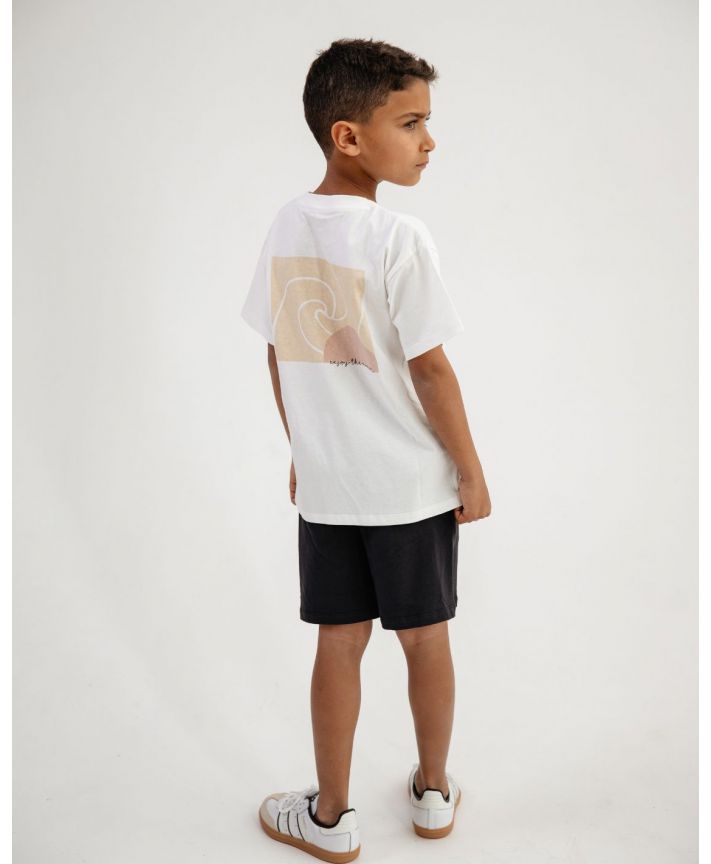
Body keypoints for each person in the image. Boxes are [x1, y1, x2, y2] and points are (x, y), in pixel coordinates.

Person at [240, 37, 491, 862]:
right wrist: (469, 468)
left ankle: (331, 816)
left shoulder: (286, 224)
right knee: (426, 639)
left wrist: (303, 447)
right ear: (347, 136)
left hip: (331, 487)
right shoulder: (396, 236)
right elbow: (430, 368)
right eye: (410, 122)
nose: (429, 141)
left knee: (338, 641)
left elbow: (280, 350)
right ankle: (432, 793)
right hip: (410, 487)